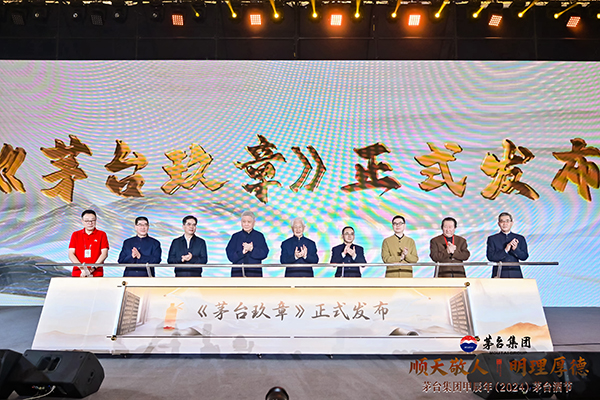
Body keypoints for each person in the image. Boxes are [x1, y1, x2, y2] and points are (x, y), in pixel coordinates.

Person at [226, 211, 269, 277]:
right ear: (241, 222)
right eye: (244, 222)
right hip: (238, 273)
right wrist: (242, 253)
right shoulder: (235, 236)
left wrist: (252, 249)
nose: (246, 224)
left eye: (249, 222)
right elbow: (230, 256)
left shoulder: (259, 236)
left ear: (254, 222)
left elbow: (264, 253)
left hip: (255, 273)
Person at [68, 209, 109, 277]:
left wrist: (93, 268)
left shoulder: (102, 234)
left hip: (96, 273)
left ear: (96, 220)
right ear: (82, 221)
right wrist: (82, 269)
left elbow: (104, 254)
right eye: (87, 221)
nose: (90, 223)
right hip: (78, 272)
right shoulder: (75, 234)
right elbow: (71, 254)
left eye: (92, 220)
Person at [486, 212, 529, 278]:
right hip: (499, 274)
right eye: (502, 221)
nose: (505, 224)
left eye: (507, 221)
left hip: (516, 274)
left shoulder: (520, 238)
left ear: (512, 223)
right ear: (498, 224)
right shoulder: (492, 239)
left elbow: (524, 257)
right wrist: (505, 250)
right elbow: (490, 257)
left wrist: (515, 249)